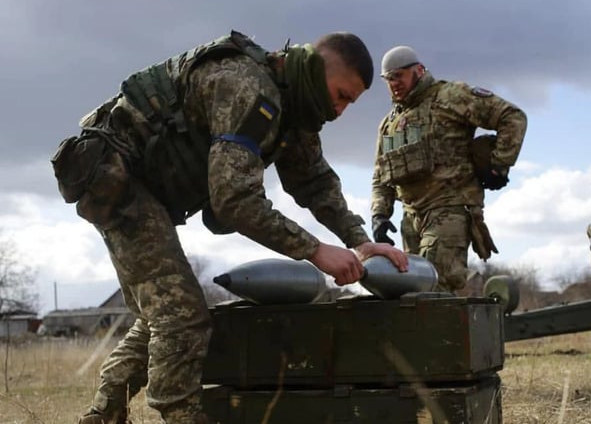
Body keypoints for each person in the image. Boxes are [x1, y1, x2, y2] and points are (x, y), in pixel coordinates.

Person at [51, 30, 408, 424]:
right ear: (317, 69)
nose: (340, 110)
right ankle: (179, 412)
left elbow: (316, 182)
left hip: (142, 188)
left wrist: (360, 242)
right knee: (181, 316)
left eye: (349, 104)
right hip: (115, 178)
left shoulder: (296, 108)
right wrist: (316, 251)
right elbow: (234, 200)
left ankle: (102, 414)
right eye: (341, 95)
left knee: (166, 311)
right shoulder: (249, 87)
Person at [369, 46, 527, 293]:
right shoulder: (389, 124)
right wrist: (379, 214)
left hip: (449, 207)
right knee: (412, 289)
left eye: (399, 75)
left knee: (436, 286)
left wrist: (499, 164)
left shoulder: (451, 96)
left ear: (419, 71)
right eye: (389, 78)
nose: (394, 83)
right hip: (411, 218)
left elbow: (511, 117)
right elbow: (381, 173)